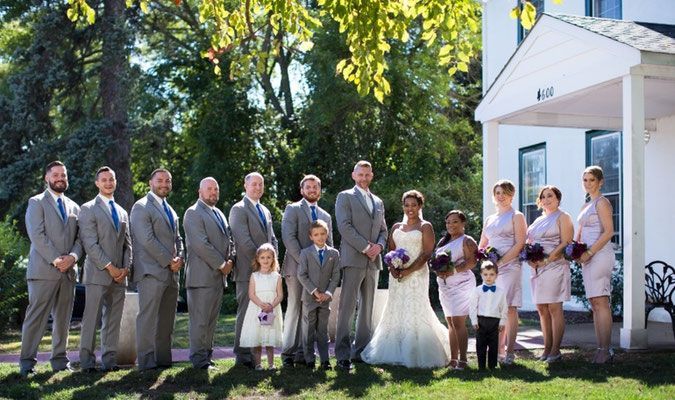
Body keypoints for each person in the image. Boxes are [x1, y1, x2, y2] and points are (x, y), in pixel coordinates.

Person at [361, 190, 450, 368]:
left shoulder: (425, 226)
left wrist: (409, 270)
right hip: (397, 277)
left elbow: (426, 253)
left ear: (420, 206)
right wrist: (393, 268)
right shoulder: (396, 227)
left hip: (417, 274)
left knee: (416, 307)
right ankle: (394, 348)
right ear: (403, 206)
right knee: (396, 307)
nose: (410, 208)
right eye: (407, 205)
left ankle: (417, 350)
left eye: (414, 205)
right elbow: (391, 251)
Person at [20, 161, 82, 377]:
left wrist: (72, 258)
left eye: (63, 175)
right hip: (43, 271)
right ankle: (27, 364)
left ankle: (59, 362)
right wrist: (57, 260)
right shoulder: (36, 202)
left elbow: (80, 239)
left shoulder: (75, 207)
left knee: (63, 320)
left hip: (68, 273)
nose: (60, 178)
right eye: (55, 175)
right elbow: (37, 235)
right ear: (47, 178)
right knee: (36, 319)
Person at [334, 161, 388, 371]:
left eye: (367, 174)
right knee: (347, 308)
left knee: (367, 309)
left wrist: (380, 246)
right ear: (353, 175)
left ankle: (361, 352)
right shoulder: (345, 197)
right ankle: (342, 355)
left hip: (374, 261)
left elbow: (383, 230)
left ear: (371, 176)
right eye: (360, 174)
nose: (364, 178)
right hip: (354, 259)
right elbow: (344, 227)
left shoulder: (378, 201)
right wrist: (366, 247)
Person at [78, 166, 131, 373]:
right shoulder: (88, 208)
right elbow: (90, 244)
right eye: (104, 180)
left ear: (115, 182)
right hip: (97, 274)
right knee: (91, 320)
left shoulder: (122, 211)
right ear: (97, 183)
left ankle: (109, 361)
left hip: (120, 276)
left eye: (112, 179)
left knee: (113, 321)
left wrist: (125, 268)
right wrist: (110, 268)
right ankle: (87, 362)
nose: (108, 183)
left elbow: (129, 245)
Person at [130, 168, 184, 371]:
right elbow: (147, 240)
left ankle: (163, 359)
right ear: (150, 183)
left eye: (168, 181)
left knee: (166, 320)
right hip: (151, 272)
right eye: (160, 180)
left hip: (172, 273)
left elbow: (178, 239)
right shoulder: (141, 207)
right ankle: (146, 362)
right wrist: (169, 260)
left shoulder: (170, 209)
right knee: (148, 319)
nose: (164, 184)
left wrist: (180, 257)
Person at [281, 175, 333, 368]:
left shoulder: (326, 216)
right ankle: (288, 353)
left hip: (320, 274)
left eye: (315, 187)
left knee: (311, 313)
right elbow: (289, 238)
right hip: (296, 270)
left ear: (320, 190)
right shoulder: (292, 209)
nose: (312, 190)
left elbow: (331, 248)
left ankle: (304, 353)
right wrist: (305, 263)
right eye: (308, 187)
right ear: (302, 190)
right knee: (295, 309)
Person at [183, 177, 236, 370]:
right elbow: (201, 245)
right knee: (200, 321)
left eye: (216, 189)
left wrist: (230, 260)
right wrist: (222, 264)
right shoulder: (193, 213)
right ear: (200, 192)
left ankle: (207, 357)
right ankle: (198, 360)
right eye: (209, 189)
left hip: (217, 278)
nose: (213, 192)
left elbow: (229, 241)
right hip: (201, 278)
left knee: (211, 321)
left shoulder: (219, 213)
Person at [229, 172, 279, 368]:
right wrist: (261, 265)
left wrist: (273, 264)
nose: (257, 187)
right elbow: (243, 240)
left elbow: (272, 239)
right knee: (246, 312)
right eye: (254, 184)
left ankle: (257, 357)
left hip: (267, 272)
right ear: (245, 186)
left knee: (263, 312)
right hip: (248, 271)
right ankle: (242, 356)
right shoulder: (238, 209)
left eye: (261, 184)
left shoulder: (265, 210)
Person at [478, 180, 526, 365]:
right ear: (494, 195)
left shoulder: (517, 216)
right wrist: (484, 260)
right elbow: (482, 244)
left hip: (510, 266)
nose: (501, 195)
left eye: (505, 192)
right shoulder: (489, 219)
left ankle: (511, 352)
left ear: (512, 195)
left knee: (510, 308)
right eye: (498, 192)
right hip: (491, 270)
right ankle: (498, 351)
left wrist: (503, 262)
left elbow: (520, 242)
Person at [526, 185, 573, 363]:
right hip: (537, 268)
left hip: (554, 265)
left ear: (558, 199)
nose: (546, 199)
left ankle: (555, 351)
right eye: (543, 197)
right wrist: (530, 258)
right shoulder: (538, 220)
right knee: (542, 309)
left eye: (550, 196)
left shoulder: (563, 217)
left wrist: (547, 259)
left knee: (554, 307)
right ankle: (546, 349)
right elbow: (529, 242)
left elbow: (566, 242)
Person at [577, 166, 615, 364]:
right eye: (585, 180)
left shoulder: (602, 202)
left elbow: (608, 232)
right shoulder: (586, 205)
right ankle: (600, 348)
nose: (588, 183)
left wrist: (590, 252)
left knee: (601, 302)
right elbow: (580, 233)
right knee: (594, 303)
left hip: (599, 256)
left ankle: (605, 350)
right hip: (587, 258)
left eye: (591, 180)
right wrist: (575, 251)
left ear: (600, 182)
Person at [434, 210, 478, 370]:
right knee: (451, 322)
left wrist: (452, 271)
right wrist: (438, 270)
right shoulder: (442, 242)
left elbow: (473, 261)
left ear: (463, 223)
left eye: (455, 222)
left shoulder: (467, 240)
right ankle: (453, 359)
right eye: (448, 222)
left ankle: (464, 360)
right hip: (445, 286)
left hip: (462, 284)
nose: (451, 225)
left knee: (459, 322)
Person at [297, 220, 341, 370]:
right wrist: (314, 291)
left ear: (327, 234)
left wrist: (327, 293)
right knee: (308, 329)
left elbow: (336, 276)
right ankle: (309, 359)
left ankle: (325, 360)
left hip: (325, 299)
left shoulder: (334, 253)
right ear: (311, 236)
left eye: (323, 234)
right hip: (310, 297)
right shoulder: (305, 253)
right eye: (316, 234)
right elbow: (301, 275)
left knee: (323, 330)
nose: (320, 237)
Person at [239, 244, 284, 370]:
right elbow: (251, 294)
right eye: (263, 257)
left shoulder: (277, 277)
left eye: (269, 257)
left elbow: (280, 295)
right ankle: (258, 364)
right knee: (257, 338)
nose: (265, 260)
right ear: (258, 259)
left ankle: (271, 364)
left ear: (273, 259)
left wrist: (271, 305)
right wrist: (261, 304)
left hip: (271, 310)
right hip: (257, 309)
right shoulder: (254, 276)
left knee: (269, 338)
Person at [469, 261, 508, 371]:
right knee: (480, 344)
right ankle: (481, 366)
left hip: (494, 321)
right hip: (481, 321)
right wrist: (474, 321)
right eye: (485, 274)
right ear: (481, 274)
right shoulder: (477, 291)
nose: (488, 277)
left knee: (493, 344)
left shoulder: (501, 292)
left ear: (496, 275)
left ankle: (492, 365)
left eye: (491, 274)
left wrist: (502, 322)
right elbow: (473, 307)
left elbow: (504, 308)